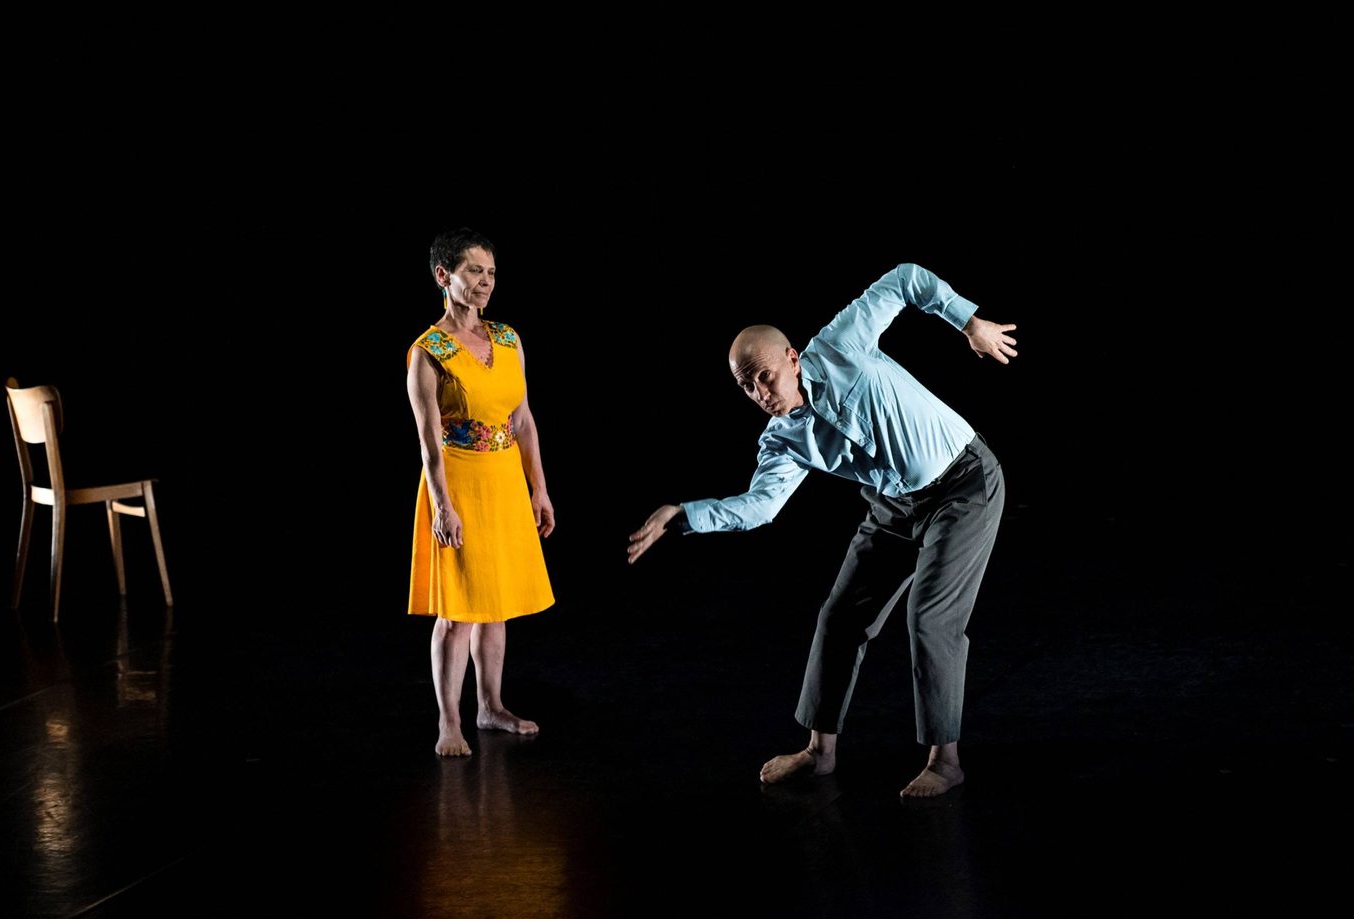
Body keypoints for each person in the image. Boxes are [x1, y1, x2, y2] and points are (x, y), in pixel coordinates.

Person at [627, 263, 1016, 797]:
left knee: (929, 619)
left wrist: (969, 323)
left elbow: (905, 279)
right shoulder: (780, 440)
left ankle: (945, 761)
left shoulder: (840, 344)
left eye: (765, 376)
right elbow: (760, 506)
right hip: (893, 505)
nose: (760, 393)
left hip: (963, 484)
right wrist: (684, 513)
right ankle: (819, 752)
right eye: (746, 386)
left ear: (792, 358)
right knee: (839, 618)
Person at [407, 228, 555, 757]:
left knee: (496, 605)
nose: (486, 281)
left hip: (504, 480)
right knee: (458, 610)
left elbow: (523, 419)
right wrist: (443, 506)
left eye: (491, 272)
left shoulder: (508, 339)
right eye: (474, 270)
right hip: (459, 481)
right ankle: (449, 722)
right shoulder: (429, 352)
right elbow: (429, 443)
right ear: (443, 276)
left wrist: (539, 489)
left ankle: (490, 707)